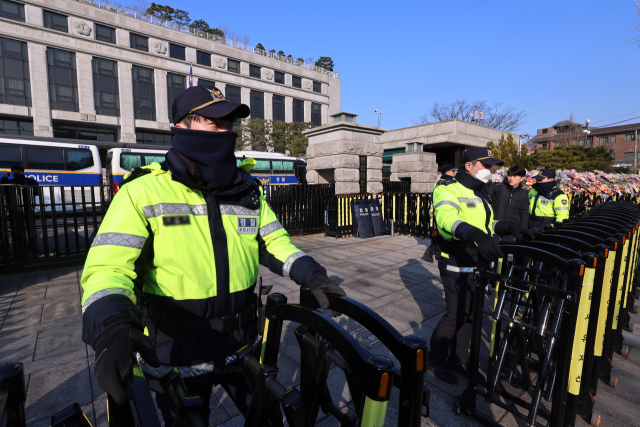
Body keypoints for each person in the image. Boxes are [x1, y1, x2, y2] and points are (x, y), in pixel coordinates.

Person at [80, 85, 346, 425]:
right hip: (174, 350)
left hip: (242, 342)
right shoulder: (142, 191)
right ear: (183, 125)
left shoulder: (247, 191)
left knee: (268, 419)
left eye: (230, 124)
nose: (227, 132)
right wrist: (111, 327)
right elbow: (107, 268)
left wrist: (313, 273)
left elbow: (274, 242)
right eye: (215, 122)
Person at [428, 148, 534, 384]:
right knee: (454, 315)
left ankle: (459, 359)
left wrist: (507, 227)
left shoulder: (480, 192)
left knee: (470, 316)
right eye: (486, 166)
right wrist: (474, 234)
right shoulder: (447, 188)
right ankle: (434, 360)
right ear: (469, 166)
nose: (490, 171)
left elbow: (486, 223)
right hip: (456, 261)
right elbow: (446, 220)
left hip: (477, 264)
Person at [1, 165, 39, 253]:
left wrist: (25, 189)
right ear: (12, 173)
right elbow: (2, 189)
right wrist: (5, 177)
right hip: (14, 208)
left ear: (23, 172)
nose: (17, 174)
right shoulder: (10, 181)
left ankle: (32, 246)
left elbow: (36, 192)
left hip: (27, 207)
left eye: (19, 172)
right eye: (14, 172)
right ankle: (18, 246)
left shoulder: (30, 181)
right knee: (16, 228)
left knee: (30, 228)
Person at [425, 164, 458, 262]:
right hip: (442, 213)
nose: (454, 173)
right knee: (445, 234)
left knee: (442, 234)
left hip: (439, 212)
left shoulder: (440, 182)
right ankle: (433, 252)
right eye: (453, 171)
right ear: (448, 172)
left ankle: (432, 251)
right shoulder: (444, 184)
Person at [488, 165, 529, 242]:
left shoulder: (524, 194)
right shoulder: (497, 187)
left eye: (515, 176)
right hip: (494, 228)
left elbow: (524, 216)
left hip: (511, 231)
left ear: (522, 178)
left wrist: (523, 233)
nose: (511, 178)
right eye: (510, 175)